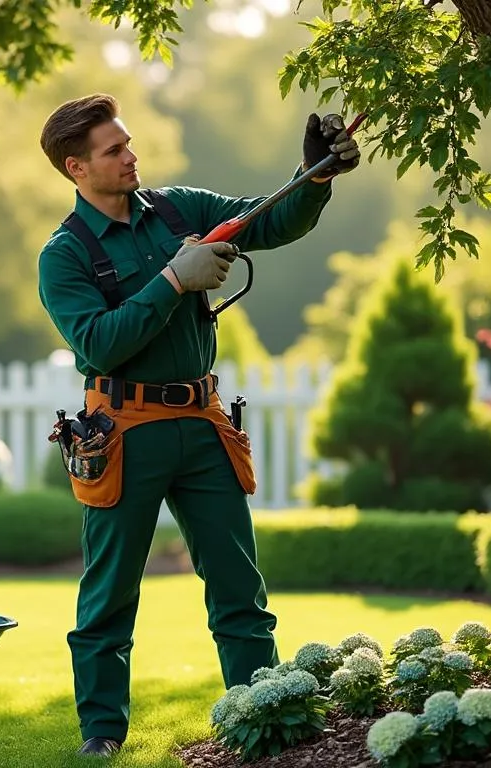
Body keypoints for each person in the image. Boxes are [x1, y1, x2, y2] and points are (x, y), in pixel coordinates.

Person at [35, 93, 360, 758]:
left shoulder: (180, 208)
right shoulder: (63, 255)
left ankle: (262, 717)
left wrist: (317, 176)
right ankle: (102, 732)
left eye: (127, 143)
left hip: (203, 421)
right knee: (110, 594)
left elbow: (266, 223)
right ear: (76, 168)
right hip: (121, 433)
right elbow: (98, 344)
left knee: (240, 587)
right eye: (113, 150)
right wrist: (172, 281)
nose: (131, 156)